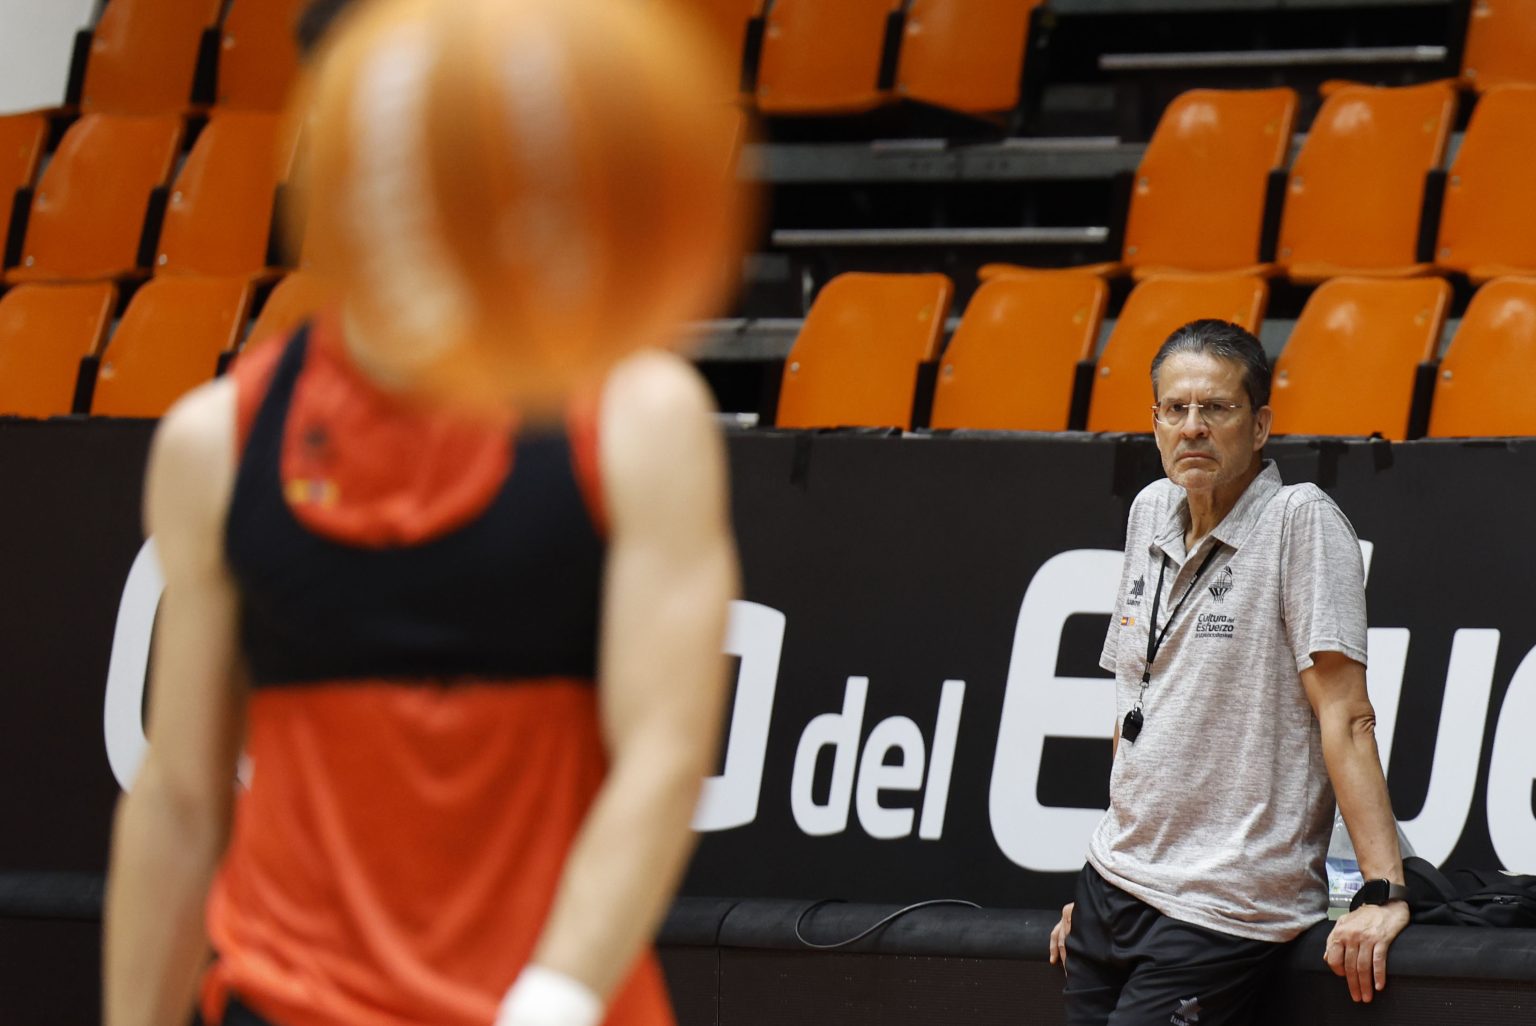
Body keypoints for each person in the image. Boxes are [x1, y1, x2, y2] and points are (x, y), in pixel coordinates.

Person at [102, 1, 748, 1025]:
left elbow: (664, 756)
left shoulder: (635, 421)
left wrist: (554, 999)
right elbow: (180, 798)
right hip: (284, 999)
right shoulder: (216, 444)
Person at [1047, 320, 1409, 1025]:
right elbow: (1134, 703)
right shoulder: (1150, 508)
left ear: (1261, 424)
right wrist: (1117, 864)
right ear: (1154, 422)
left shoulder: (1300, 520)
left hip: (1223, 905)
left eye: (1216, 408)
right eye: (1175, 409)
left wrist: (1382, 892)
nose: (1193, 427)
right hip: (1112, 887)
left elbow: (1347, 717)